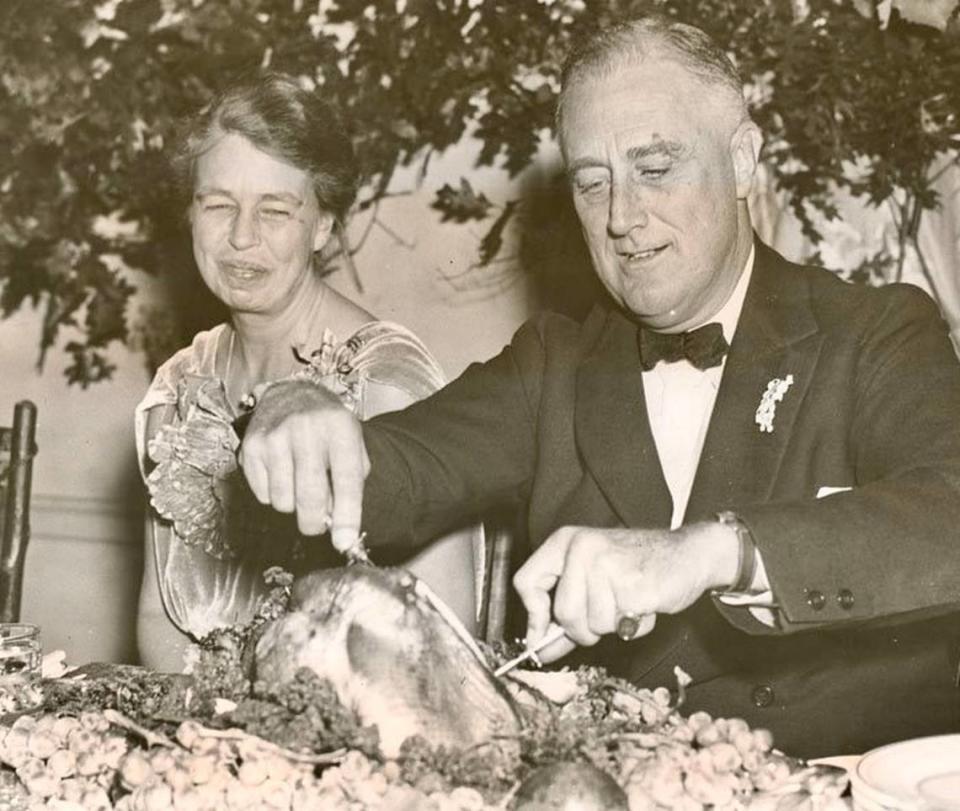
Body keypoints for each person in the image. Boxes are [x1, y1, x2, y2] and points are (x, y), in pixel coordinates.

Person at [237, 19, 960, 757]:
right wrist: (298, 406)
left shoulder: (874, 330)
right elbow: (397, 466)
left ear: (743, 162)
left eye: (654, 168)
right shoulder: (556, 362)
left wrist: (715, 552)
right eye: (593, 181)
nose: (621, 218)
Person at [134, 73, 480, 672]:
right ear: (191, 214)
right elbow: (158, 621)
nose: (242, 237)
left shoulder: (386, 383)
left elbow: (438, 652)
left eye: (275, 210)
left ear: (322, 226)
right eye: (219, 205)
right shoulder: (177, 390)